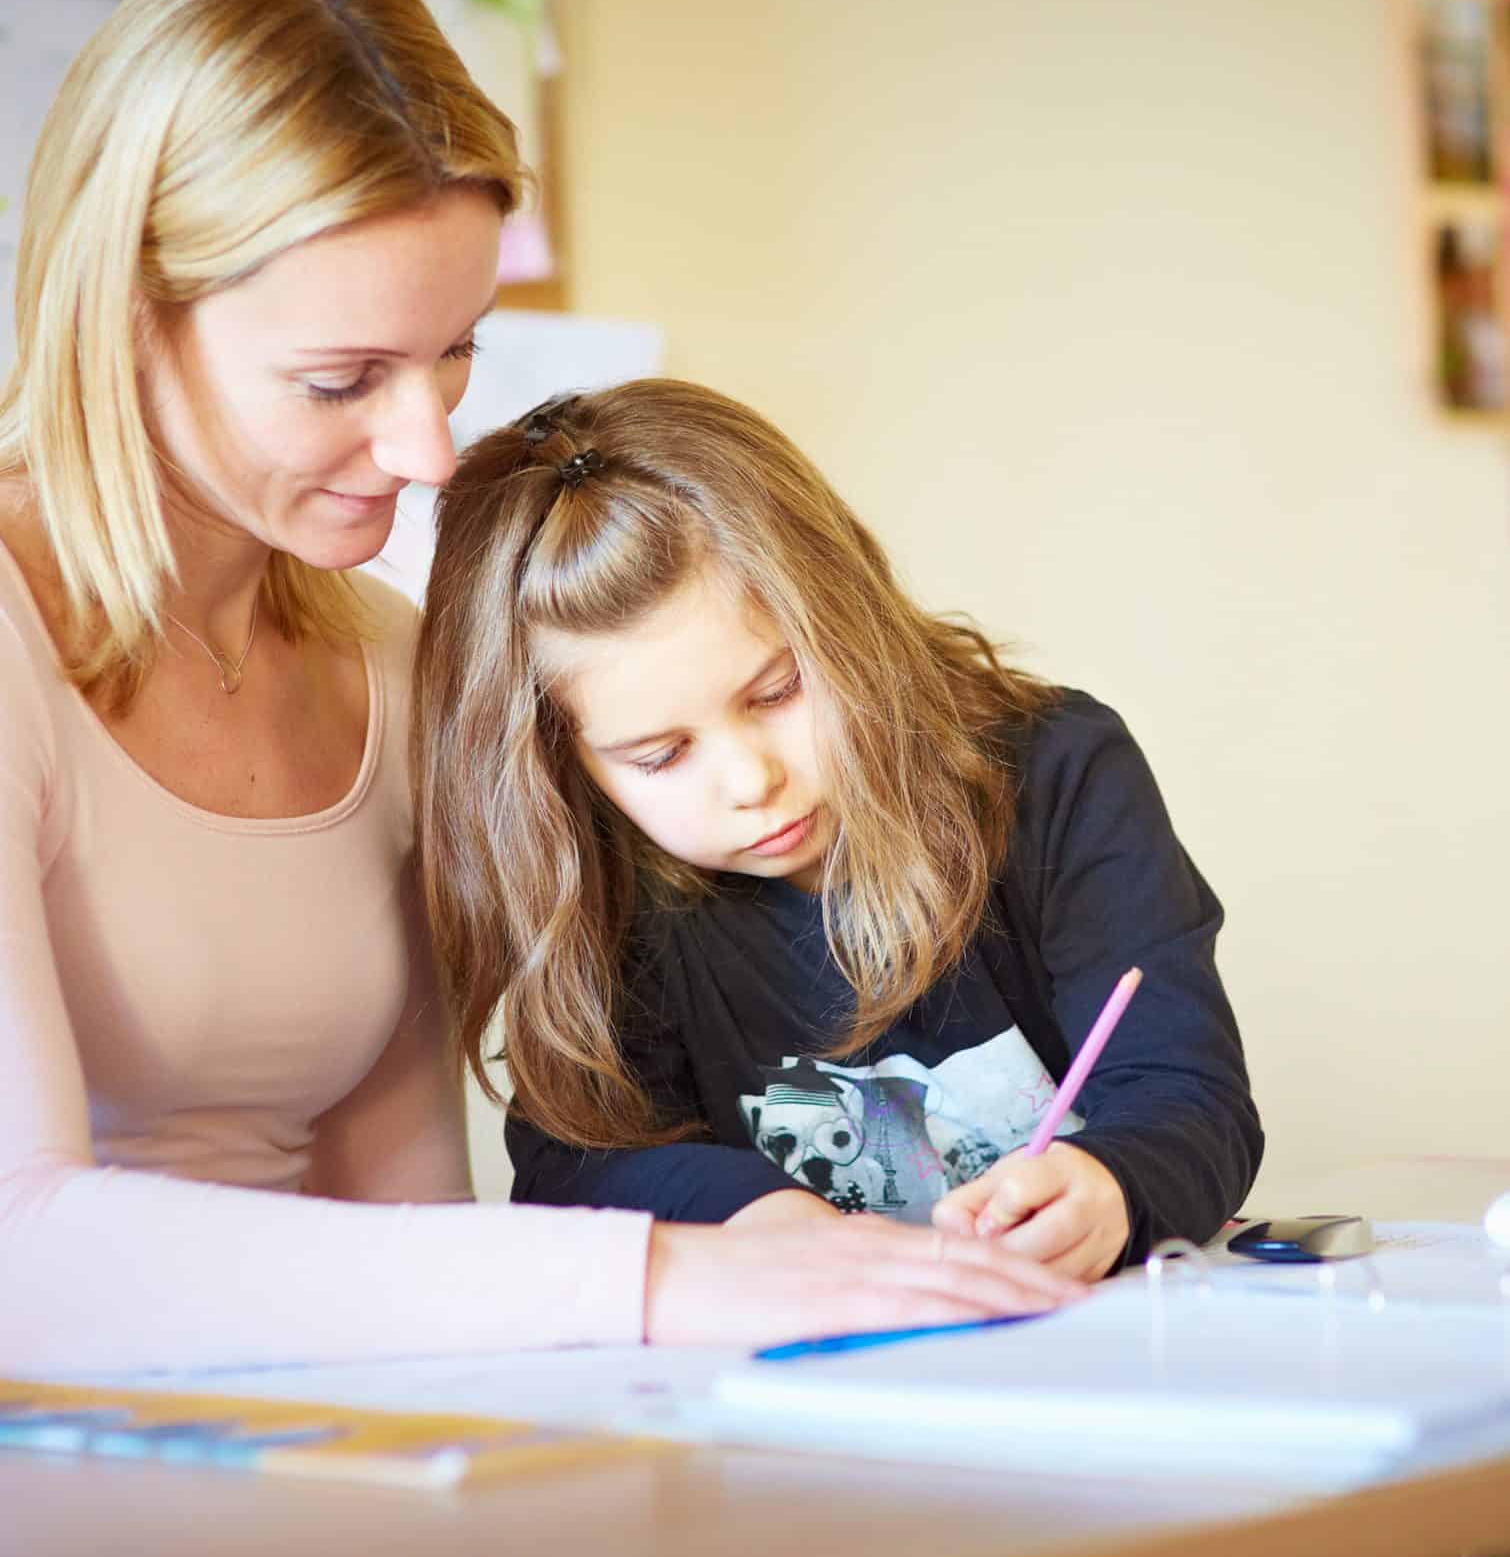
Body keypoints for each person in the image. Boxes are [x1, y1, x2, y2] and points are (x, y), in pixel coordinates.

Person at [0, 0, 1076, 1397]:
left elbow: (410, 1231)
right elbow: (15, 1272)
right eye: (341, 380)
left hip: (293, 1431)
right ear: (128, 320)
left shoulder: (383, 654)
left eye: (451, 354)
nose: (429, 451)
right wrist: (664, 1272)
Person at [411, 380, 1263, 1281]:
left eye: (778, 692)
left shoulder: (1059, 773)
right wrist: (769, 1219)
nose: (752, 781)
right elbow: (575, 1162)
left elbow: (1191, 1101)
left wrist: (1108, 1186)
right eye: (660, 756)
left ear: (847, 614)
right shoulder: (602, 877)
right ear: (561, 766)